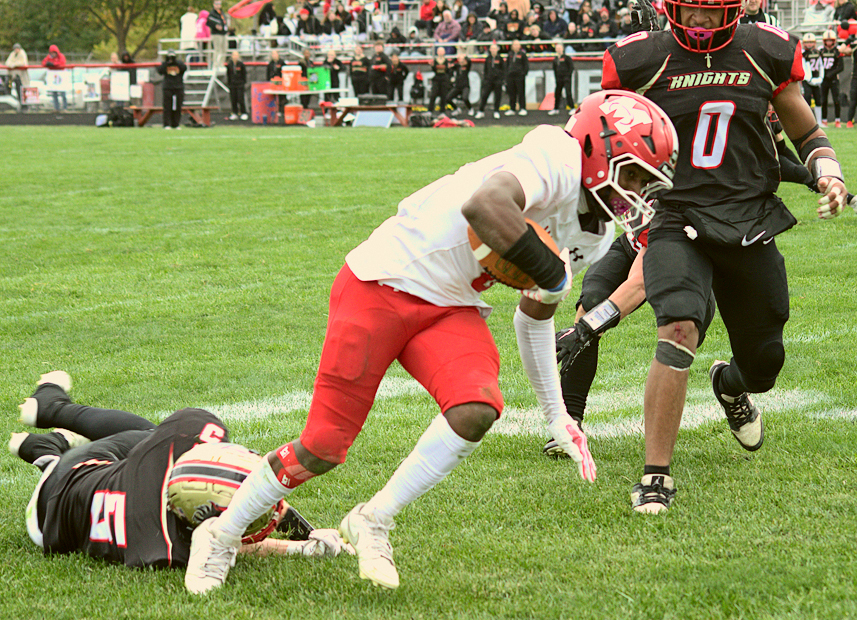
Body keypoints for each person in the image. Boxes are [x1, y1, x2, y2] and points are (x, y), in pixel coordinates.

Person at [182, 88, 679, 595]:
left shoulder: (593, 236)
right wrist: (552, 275)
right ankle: (221, 533)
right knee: (323, 447)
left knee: (476, 407)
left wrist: (557, 415)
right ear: (598, 147)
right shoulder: (556, 153)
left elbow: (532, 320)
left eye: (647, 181)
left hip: (451, 307)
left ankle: (374, 518)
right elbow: (484, 205)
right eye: (635, 174)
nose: (637, 193)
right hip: (383, 282)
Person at [601, 0, 848, 514]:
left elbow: (805, 130)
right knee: (678, 327)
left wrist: (829, 170)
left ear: (733, 10)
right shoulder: (639, 60)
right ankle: (656, 475)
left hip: (748, 216)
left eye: (710, 13)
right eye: (688, 11)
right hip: (676, 214)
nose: (699, 22)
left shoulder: (764, 50)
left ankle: (730, 384)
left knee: (764, 363)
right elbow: (604, 133)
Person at [8, 371, 350, 568]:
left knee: (149, 433)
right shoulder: (173, 544)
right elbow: (227, 541)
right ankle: (44, 446)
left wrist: (305, 540)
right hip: (49, 521)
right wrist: (305, 542)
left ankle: (52, 418)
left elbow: (191, 423)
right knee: (147, 437)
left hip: (70, 482)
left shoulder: (159, 519)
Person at [819, 30, 844, 127]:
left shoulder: (837, 51)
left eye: (830, 40)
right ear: (824, 41)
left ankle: (838, 120)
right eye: (827, 40)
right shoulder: (820, 50)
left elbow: (841, 67)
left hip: (833, 79)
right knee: (823, 100)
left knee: (836, 100)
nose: (829, 42)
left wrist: (831, 73)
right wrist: (823, 74)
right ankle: (824, 120)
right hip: (823, 79)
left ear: (834, 41)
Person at [157, 50, 187, 129]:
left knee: (178, 106)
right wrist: (167, 62)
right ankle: (167, 124)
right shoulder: (165, 64)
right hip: (168, 87)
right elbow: (160, 70)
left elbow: (184, 68)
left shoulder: (179, 63)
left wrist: (175, 62)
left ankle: (176, 124)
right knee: (167, 106)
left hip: (178, 87)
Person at [474, 43, 505, 119]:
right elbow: (485, 69)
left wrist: (501, 79)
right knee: (484, 96)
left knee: (497, 96)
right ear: (490, 50)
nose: (493, 50)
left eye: (495, 48)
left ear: (497, 49)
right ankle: (481, 111)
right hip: (489, 81)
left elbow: (503, 70)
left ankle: (496, 111)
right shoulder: (488, 59)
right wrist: (486, 79)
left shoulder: (500, 59)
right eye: (492, 48)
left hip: (497, 81)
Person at [802, 32, 825, 123]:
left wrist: (820, 78)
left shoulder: (818, 52)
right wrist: (809, 79)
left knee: (818, 99)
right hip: (807, 79)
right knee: (807, 99)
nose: (809, 44)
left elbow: (821, 66)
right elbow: (804, 66)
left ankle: (819, 121)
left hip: (816, 77)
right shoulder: (803, 53)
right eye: (807, 42)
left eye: (811, 42)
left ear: (815, 43)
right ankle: (808, 121)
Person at [504, 39, 529, 116]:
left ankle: (522, 108)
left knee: (521, 92)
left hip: (519, 77)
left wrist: (523, 74)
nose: (516, 46)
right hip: (511, 77)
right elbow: (507, 65)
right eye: (514, 44)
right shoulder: (510, 54)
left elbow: (526, 65)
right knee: (512, 93)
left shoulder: (522, 54)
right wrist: (507, 75)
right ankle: (512, 108)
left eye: (517, 44)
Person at [549, 42, 574, 115]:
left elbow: (571, 68)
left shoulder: (567, 58)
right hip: (559, 80)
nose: (558, 50)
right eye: (557, 48)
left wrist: (568, 76)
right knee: (557, 93)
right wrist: (556, 78)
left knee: (568, 93)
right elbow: (555, 70)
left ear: (563, 49)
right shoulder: (555, 59)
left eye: (559, 48)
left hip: (566, 79)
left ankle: (572, 107)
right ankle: (556, 108)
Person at [42, 44, 67, 111]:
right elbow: (44, 62)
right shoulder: (49, 57)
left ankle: (65, 107)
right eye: (51, 53)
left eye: (54, 52)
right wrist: (47, 64)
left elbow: (62, 63)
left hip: (61, 77)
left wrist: (53, 64)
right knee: (54, 92)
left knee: (63, 92)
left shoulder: (61, 56)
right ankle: (57, 108)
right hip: (53, 77)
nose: (52, 54)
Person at [5, 43, 30, 112]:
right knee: (15, 90)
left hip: (21, 77)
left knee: (22, 91)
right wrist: (12, 65)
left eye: (17, 48)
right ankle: (20, 105)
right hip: (14, 77)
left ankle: (25, 106)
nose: (16, 50)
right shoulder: (12, 54)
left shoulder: (22, 53)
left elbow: (23, 62)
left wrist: (14, 64)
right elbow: (7, 62)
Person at [428, 46, 453, 112]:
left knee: (443, 95)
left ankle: (442, 111)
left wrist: (449, 68)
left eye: (442, 51)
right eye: (439, 51)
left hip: (444, 79)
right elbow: (434, 70)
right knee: (433, 95)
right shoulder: (435, 61)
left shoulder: (447, 61)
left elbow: (448, 72)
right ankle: (430, 110)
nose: (441, 52)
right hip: (436, 79)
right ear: (437, 52)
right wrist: (432, 66)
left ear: (444, 52)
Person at [447, 49, 472, 115]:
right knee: (448, 98)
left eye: (462, 59)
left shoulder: (466, 66)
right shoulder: (457, 66)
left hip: (465, 86)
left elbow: (469, 61)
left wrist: (465, 57)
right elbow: (450, 65)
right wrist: (456, 58)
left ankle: (470, 108)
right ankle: (456, 108)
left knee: (465, 98)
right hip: (457, 86)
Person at [207, 0, 229, 68]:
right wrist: (215, 26)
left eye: (219, 4)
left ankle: (221, 64)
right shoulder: (212, 13)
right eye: (216, 4)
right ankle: (216, 65)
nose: (218, 5)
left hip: (223, 34)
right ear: (214, 4)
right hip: (216, 34)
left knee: (224, 49)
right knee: (217, 50)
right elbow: (209, 22)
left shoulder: (221, 13)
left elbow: (224, 21)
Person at [226, 50, 248, 120]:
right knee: (233, 99)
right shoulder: (230, 65)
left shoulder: (241, 64)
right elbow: (228, 75)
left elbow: (244, 74)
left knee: (241, 99)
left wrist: (243, 82)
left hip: (240, 84)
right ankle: (234, 112)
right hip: (232, 85)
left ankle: (243, 112)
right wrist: (229, 83)